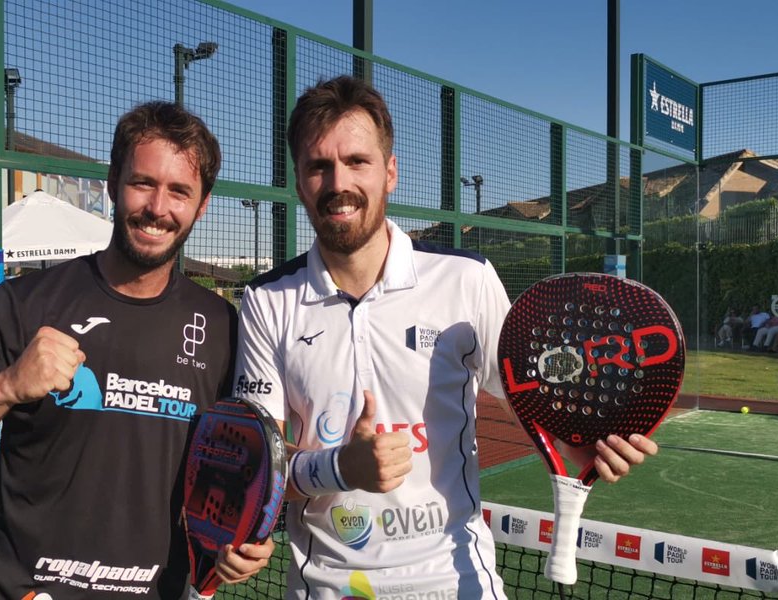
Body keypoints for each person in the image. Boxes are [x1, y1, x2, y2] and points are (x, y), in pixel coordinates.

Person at [232, 76, 657, 599]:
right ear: (299, 182)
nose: (338, 182)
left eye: (357, 162)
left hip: (457, 584)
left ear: (390, 173)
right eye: (319, 166)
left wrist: (581, 443)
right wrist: (341, 468)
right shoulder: (266, 301)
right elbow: (260, 471)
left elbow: (529, 397)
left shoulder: (467, 279)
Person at [0, 101, 272, 599]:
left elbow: (238, 467)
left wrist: (243, 544)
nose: (158, 208)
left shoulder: (224, 326)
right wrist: (7, 385)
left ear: (201, 205)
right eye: (143, 183)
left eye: (179, 192)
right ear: (114, 181)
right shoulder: (24, 303)